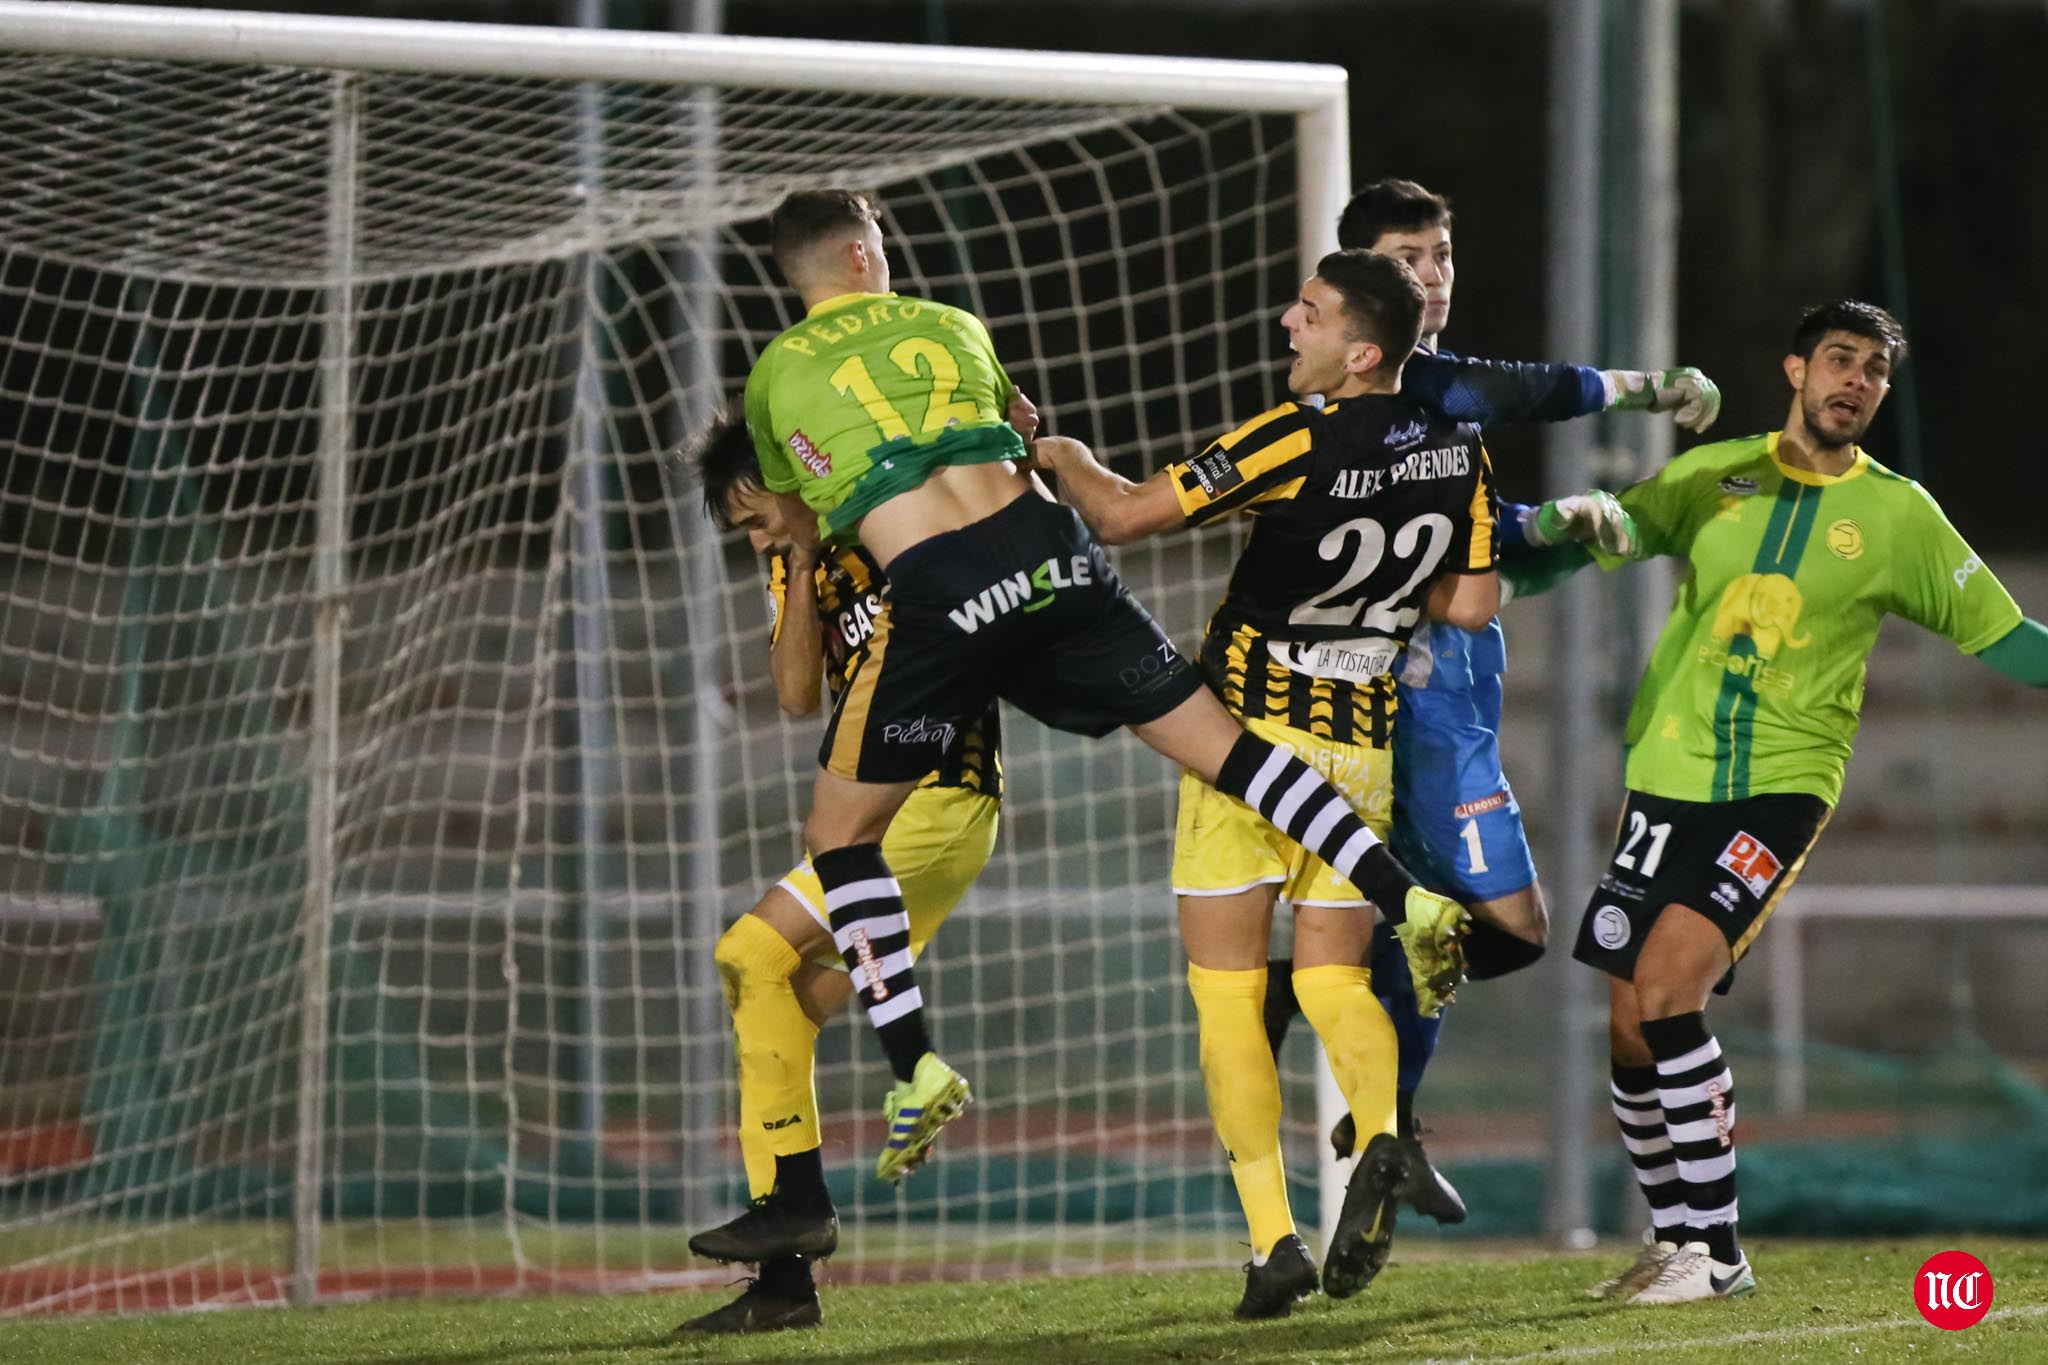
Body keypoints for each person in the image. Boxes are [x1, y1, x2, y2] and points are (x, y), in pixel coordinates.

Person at [690, 188, 1467, 1268]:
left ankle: (913, 1061)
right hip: (1052, 555)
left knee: (837, 838)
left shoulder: (776, 374)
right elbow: (1016, 425)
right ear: (868, 254)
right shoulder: (950, 323)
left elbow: (794, 509)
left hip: (943, 594)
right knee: (1232, 753)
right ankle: (1406, 894)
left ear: (800, 274)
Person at [1514, 300, 2047, 1303]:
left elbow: (2009, 642)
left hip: (1779, 785)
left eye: (1873, 372)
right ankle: (1672, 1238)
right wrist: (1524, 554)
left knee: (1669, 985)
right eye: (1838, 361)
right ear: (1793, 368)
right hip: (1662, 776)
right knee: (1628, 1022)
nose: (1853, 382)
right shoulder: (1712, 476)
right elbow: (1609, 533)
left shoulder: (1899, 518)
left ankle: (1716, 1254)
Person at [1039, 248, 1497, 1318]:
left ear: (1361, 352)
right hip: (1359, 747)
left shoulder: (1291, 436)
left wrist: (1059, 453)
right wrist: (1379, 580)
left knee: (1228, 999)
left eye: (1311, 314)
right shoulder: (1458, 449)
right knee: (1335, 981)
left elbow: (1121, 516)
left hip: (1245, 747)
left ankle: (1269, 1243)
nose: (1288, 326)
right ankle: (1382, 1132)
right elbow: (1470, 604)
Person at [1261, 178, 1723, 1223]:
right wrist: (1644, 391)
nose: (1429, 276)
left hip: (1453, 699)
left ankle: (1386, 1123)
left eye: (1440, 254)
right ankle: (1294, 1003)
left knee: (1434, 939)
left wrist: (1551, 532)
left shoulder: (1422, 400)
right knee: (1504, 929)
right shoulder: (1383, 392)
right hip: (1407, 714)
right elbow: (1516, 397)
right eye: (1404, 257)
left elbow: (1472, 554)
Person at [674, 416, 1003, 1334]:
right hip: (875, 817)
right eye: (745, 534)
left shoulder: (890, 517)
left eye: (756, 519)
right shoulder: (801, 559)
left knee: (747, 947)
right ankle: (786, 1278)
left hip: (940, 797)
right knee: (768, 988)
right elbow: (792, 694)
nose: (759, 538)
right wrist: (794, 559)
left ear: (793, 479)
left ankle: (819, 1183)